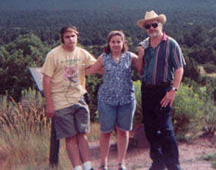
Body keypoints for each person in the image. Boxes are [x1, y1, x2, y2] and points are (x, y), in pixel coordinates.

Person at [41, 26, 96, 170]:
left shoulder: (81, 52)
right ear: (62, 39)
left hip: (79, 97)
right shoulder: (54, 55)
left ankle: (88, 166)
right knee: (70, 136)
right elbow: (46, 79)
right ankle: (77, 167)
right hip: (61, 102)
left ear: (77, 37)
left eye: (73, 36)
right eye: (67, 37)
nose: (71, 39)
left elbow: (96, 66)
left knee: (82, 134)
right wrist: (50, 104)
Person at [136, 11, 185, 170]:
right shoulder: (144, 45)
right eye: (147, 26)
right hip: (147, 91)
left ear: (160, 25)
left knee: (165, 128)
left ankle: (173, 165)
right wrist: (141, 55)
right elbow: (140, 70)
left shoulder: (171, 44)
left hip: (164, 90)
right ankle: (158, 162)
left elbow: (179, 68)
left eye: (154, 24)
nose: (151, 28)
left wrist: (173, 90)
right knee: (150, 129)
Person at [85, 30, 138, 170]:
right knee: (106, 132)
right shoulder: (104, 57)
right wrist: (71, 70)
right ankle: (103, 164)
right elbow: (90, 70)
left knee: (123, 131)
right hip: (107, 100)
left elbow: (143, 66)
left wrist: (143, 51)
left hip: (126, 100)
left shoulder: (130, 57)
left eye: (118, 42)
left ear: (123, 43)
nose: (115, 44)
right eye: (113, 42)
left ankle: (121, 163)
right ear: (109, 43)